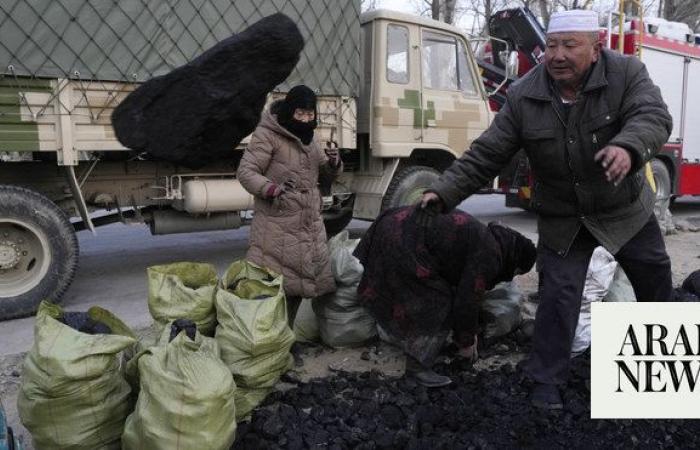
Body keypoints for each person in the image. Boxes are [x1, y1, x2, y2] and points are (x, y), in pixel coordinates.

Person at [419, 9, 673, 408]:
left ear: (595, 47)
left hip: (623, 209)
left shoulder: (627, 74)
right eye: (552, 45)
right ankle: (547, 382)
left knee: (655, 278)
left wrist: (627, 146)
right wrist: (443, 190)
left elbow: (653, 116)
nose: (557, 54)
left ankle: (661, 378)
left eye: (570, 45)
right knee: (557, 294)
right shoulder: (525, 93)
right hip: (564, 215)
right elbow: (487, 153)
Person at [353, 205, 537, 387]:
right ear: (515, 260)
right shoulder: (490, 254)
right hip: (402, 241)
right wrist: (466, 342)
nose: (511, 276)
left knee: (431, 292)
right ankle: (416, 368)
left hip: (391, 224)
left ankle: (412, 344)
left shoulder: (487, 238)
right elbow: (467, 300)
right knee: (437, 303)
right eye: (517, 271)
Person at [238, 85, 342, 328]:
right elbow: (246, 172)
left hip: (307, 223)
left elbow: (325, 177)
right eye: (300, 114)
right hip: (278, 223)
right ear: (288, 112)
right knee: (278, 287)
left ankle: (286, 337)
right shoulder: (268, 135)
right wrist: (270, 189)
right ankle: (274, 342)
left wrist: (334, 163)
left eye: (310, 115)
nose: (306, 120)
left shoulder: (310, 139)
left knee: (298, 285)